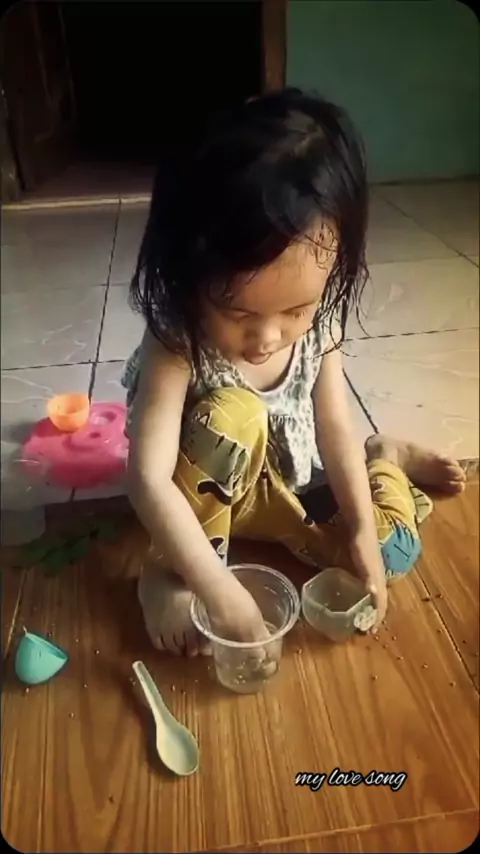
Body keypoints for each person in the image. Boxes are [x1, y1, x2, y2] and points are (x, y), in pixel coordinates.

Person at [122, 88, 466, 657]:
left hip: (287, 491)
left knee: (390, 554)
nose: (268, 337)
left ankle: (387, 459)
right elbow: (148, 479)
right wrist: (217, 591)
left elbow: (333, 428)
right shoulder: (177, 336)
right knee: (232, 415)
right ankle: (165, 572)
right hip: (207, 503)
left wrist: (360, 529)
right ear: (189, 275)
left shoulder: (321, 322)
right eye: (239, 313)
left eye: (296, 311)